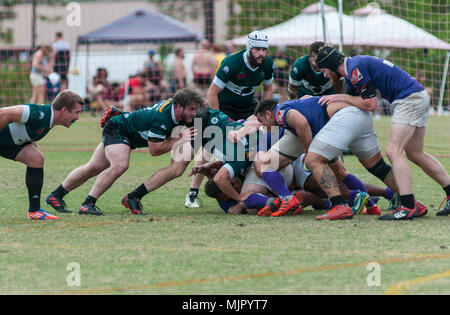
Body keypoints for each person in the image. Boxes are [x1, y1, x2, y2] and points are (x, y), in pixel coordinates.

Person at [315, 45, 450, 219]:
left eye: (325, 70)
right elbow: (352, 103)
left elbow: (370, 104)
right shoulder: (352, 71)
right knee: (416, 153)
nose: (325, 75)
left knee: (393, 151)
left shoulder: (355, 68)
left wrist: (338, 97)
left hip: (408, 99)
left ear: (332, 66)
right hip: (416, 96)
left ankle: (408, 206)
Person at [45, 88, 204, 216]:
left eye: (195, 109)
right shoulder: (162, 119)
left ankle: (56, 195)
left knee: (92, 167)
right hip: (119, 129)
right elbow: (154, 151)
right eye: (191, 109)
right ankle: (88, 204)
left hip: (125, 130)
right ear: (179, 107)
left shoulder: (175, 107)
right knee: (120, 165)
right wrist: (179, 139)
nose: (194, 113)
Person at [253, 97, 400, 220]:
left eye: (262, 121)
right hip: (328, 127)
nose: (263, 127)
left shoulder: (280, 112)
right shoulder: (288, 111)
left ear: (268, 114)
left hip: (327, 126)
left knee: (270, 165)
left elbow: (301, 122)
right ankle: (372, 205)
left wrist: (308, 151)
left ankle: (289, 199)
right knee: (341, 171)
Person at [185, 31, 275, 208]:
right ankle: (192, 193)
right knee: (210, 146)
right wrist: (217, 119)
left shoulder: (267, 64)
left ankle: (264, 182)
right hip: (224, 108)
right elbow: (212, 92)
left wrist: (263, 111)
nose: (261, 53)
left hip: (249, 108)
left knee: (259, 139)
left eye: (264, 49)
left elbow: (268, 89)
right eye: (257, 49)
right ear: (249, 48)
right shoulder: (231, 63)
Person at [0, 90, 83, 220]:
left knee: (36, 158)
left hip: (6, 144)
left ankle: (35, 211)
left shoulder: (49, 122)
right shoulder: (39, 113)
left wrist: (30, 142)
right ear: (64, 110)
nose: (77, 118)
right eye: (76, 113)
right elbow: (3, 113)